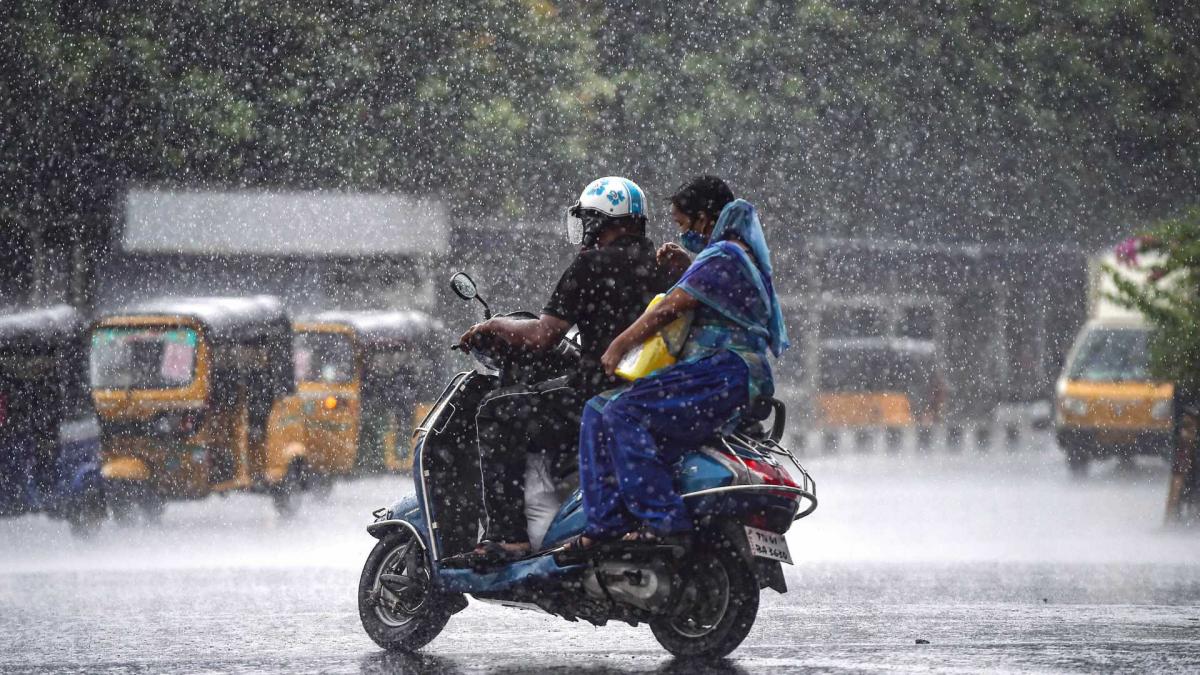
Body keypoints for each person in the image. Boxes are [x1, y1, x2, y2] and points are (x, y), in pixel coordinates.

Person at [451, 176, 673, 563]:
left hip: (598, 389)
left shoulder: (591, 265)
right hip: (647, 388)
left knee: (496, 411)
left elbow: (542, 336)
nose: (586, 229)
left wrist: (493, 326)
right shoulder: (659, 263)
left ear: (605, 221)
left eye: (590, 219)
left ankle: (508, 536)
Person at [570, 175, 789, 548]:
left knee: (624, 412)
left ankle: (664, 522)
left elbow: (669, 308)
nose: (682, 231)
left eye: (683, 223)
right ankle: (605, 526)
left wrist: (618, 345)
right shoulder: (724, 257)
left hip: (725, 371)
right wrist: (687, 263)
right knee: (597, 409)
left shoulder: (725, 254)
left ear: (705, 218)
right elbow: (708, 292)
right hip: (716, 373)